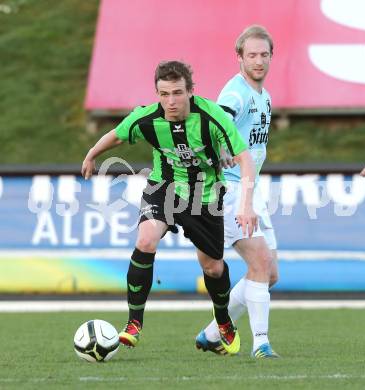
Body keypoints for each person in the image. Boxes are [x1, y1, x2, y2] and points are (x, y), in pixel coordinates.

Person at [81, 60, 257, 355]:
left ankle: (224, 321)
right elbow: (117, 134)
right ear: (157, 94)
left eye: (177, 93)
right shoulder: (147, 118)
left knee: (212, 268)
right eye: (164, 94)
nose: (171, 101)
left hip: (205, 194)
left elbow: (245, 157)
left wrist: (246, 203)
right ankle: (133, 324)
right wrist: (91, 155)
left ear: (191, 91)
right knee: (145, 240)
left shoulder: (212, 117)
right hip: (163, 187)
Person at [195, 25, 280, 358]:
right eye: (252, 55)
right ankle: (261, 343)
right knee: (259, 262)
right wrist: (219, 148)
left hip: (250, 186)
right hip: (229, 188)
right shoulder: (236, 93)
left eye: (264, 54)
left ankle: (214, 332)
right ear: (240, 57)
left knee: (270, 273)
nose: (258, 61)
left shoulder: (264, 95)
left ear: (271, 56)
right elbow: (213, 126)